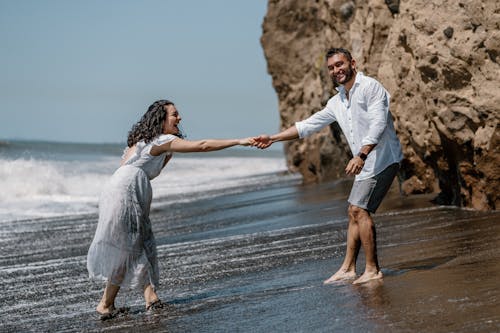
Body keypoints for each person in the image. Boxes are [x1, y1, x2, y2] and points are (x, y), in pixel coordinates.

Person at [87, 99, 253, 320]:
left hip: (116, 188)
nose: (179, 118)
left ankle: (148, 297)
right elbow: (202, 145)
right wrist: (239, 141)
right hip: (127, 191)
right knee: (132, 246)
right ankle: (108, 304)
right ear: (161, 119)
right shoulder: (163, 140)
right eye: (174, 114)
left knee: (137, 243)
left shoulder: (138, 143)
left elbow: (139, 171)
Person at [253, 48, 403, 285]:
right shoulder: (337, 101)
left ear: (352, 63)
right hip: (365, 163)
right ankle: (348, 268)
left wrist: (361, 155)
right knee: (353, 211)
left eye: (340, 64)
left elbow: (379, 123)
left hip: (383, 158)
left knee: (359, 210)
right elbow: (308, 125)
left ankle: (372, 269)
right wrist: (273, 138)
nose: (336, 70)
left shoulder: (370, 87)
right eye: (332, 67)